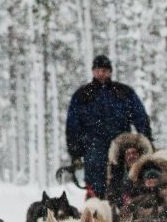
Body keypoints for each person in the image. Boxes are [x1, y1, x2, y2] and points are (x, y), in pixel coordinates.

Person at [65, 55, 153, 199]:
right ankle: (97, 211)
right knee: (96, 186)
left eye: (105, 70)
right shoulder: (82, 95)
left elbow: (140, 117)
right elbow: (73, 126)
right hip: (93, 146)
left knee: (125, 184)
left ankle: (122, 208)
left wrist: (146, 140)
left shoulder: (124, 92)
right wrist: (75, 152)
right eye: (98, 70)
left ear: (110, 72)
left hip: (121, 146)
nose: (101, 74)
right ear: (93, 71)